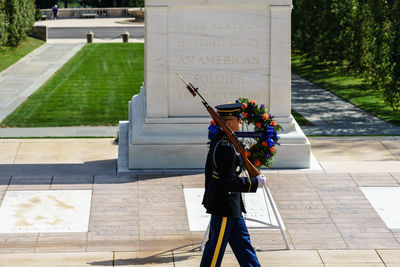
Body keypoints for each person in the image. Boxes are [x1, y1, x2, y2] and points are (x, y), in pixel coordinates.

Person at [200, 102, 267, 267]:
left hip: (231, 206)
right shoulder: (225, 147)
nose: (241, 122)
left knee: (245, 249)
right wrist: (253, 183)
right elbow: (227, 182)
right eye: (239, 119)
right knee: (214, 254)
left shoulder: (224, 140)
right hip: (224, 207)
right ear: (229, 122)